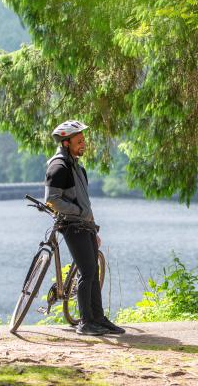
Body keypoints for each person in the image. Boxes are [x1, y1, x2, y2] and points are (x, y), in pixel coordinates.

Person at [45, 120, 125, 336]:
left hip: (84, 225)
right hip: (71, 225)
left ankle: (98, 318)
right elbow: (52, 200)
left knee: (93, 271)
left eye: (83, 140)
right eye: (79, 141)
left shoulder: (78, 168)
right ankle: (85, 322)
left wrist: (93, 227)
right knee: (87, 271)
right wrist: (79, 212)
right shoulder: (58, 167)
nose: (83, 144)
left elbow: (85, 203)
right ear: (66, 143)